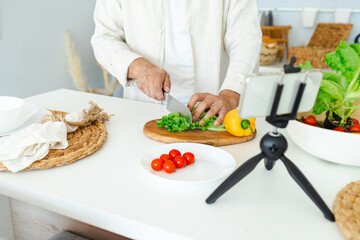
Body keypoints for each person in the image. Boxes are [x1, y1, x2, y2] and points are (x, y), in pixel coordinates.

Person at [91, 0, 262, 126]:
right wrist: (139, 67)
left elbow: (246, 40)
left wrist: (229, 96)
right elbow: (104, 38)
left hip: (215, 112)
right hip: (143, 112)